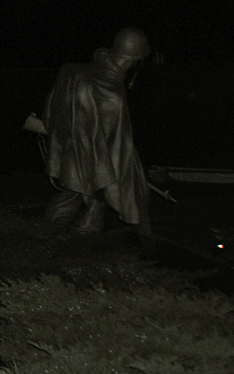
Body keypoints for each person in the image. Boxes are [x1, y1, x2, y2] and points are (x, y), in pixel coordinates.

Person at [41, 27, 152, 239]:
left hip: (73, 152)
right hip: (87, 156)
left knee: (81, 194)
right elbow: (117, 141)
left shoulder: (72, 71)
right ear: (134, 60)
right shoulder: (113, 94)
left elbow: (52, 109)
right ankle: (58, 239)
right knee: (84, 193)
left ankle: (60, 236)